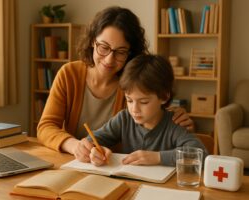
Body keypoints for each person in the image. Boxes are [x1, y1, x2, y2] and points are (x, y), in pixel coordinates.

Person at [37, 6, 194, 162]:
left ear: (130, 53)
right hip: (76, 162)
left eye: (120, 52)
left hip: (115, 168)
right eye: (104, 47)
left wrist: (169, 113)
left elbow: (151, 118)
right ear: (93, 42)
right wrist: (74, 145)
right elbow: (46, 127)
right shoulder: (69, 74)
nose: (109, 59)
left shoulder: (132, 85)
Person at [87, 54, 208, 167]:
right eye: (129, 100)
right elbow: (91, 139)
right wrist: (96, 150)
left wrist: (158, 157)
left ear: (164, 97)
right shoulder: (124, 119)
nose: (134, 110)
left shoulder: (175, 123)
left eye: (143, 102)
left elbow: (200, 154)